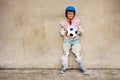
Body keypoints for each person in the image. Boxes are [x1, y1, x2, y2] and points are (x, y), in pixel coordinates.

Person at [60, 6, 87, 74]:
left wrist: (80, 32)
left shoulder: (77, 22)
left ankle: (81, 67)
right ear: (66, 14)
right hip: (67, 40)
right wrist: (64, 33)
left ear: (74, 14)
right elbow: (61, 31)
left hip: (75, 40)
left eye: (71, 13)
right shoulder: (64, 23)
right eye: (68, 14)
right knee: (65, 53)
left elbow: (80, 29)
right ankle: (64, 66)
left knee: (77, 53)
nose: (70, 15)